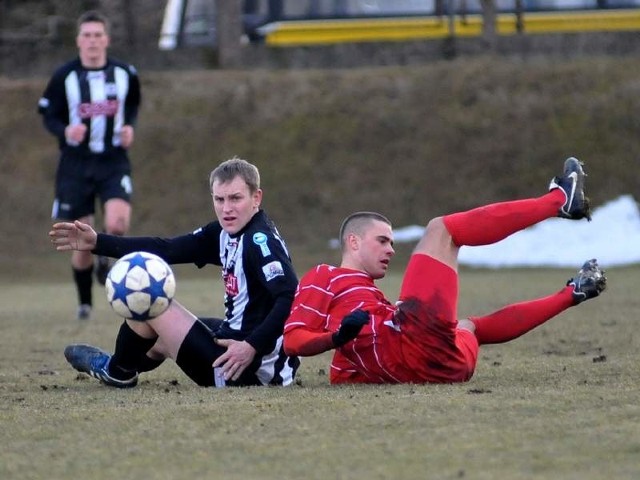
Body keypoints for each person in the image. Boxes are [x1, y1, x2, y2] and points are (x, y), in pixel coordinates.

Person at [283, 157, 607, 384]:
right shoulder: (325, 276)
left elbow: (347, 371)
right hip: (420, 351)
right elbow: (294, 340)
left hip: (445, 366)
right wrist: (337, 337)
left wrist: (346, 349)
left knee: (470, 326)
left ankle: (573, 292)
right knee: (442, 230)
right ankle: (558, 202)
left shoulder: (366, 300)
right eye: (382, 240)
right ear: (352, 242)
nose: (391, 250)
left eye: (392, 242)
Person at [49, 158, 300, 388]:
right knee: (159, 333)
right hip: (240, 347)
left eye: (235, 198)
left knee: (148, 297)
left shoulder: (259, 242)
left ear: (256, 198)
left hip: (247, 372)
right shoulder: (225, 233)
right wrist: (97, 242)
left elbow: (289, 296)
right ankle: (122, 366)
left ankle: (116, 370)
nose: (226, 209)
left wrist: (250, 346)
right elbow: (166, 249)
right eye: (219, 199)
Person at [38, 11, 142, 320]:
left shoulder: (125, 73)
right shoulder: (64, 77)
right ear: (78, 41)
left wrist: (129, 128)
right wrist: (65, 131)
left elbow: (133, 104)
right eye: (87, 35)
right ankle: (85, 303)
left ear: (106, 40)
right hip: (75, 164)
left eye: (98, 35)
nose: (93, 41)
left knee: (118, 224)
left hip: (113, 160)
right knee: (80, 240)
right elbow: (47, 114)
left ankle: (106, 264)